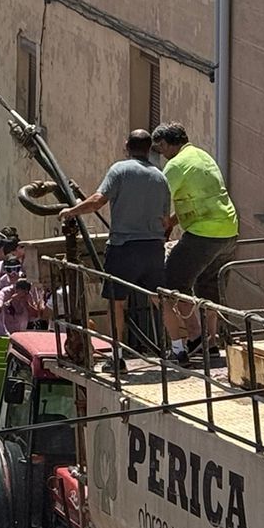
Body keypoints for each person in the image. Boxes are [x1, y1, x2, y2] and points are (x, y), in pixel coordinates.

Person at [60, 130, 172, 355]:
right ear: (149, 149)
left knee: (115, 301)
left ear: (126, 146)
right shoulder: (160, 177)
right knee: (159, 297)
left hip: (124, 248)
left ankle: (117, 354)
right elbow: (166, 221)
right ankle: (179, 348)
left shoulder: (119, 170)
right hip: (153, 247)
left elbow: (97, 201)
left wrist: (70, 212)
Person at [152, 123, 240, 362]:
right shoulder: (202, 156)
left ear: (168, 144)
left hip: (204, 233)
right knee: (207, 286)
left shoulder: (176, 165)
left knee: (172, 282)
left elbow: (157, 195)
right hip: (228, 231)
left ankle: (194, 336)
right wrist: (172, 222)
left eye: (160, 148)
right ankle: (211, 342)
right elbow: (199, 198)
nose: (160, 154)